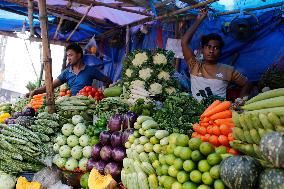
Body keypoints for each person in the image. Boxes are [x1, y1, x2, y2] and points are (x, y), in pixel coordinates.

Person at [181, 9, 252, 101]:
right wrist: (199, 20)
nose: (211, 51)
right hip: (196, 113)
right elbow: (184, 42)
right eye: (208, 47)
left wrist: (240, 100)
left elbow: (247, 83)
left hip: (218, 113)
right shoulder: (194, 65)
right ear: (202, 49)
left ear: (220, 52)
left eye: (216, 48)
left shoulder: (228, 70)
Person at [26, 43, 112, 97]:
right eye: (67, 56)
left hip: (86, 105)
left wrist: (104, 91)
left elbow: (108, 80)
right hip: (70, 105)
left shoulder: (90, 70)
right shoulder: (67, 72)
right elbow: (51, 86)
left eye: (71, 55)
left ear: (78, 55)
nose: (68, 58)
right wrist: (35, 91)